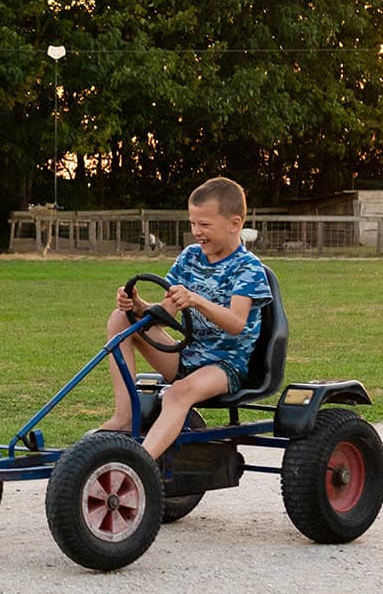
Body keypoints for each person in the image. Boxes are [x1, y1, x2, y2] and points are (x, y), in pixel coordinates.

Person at [102, 176, 271, 459]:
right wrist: (138, 306)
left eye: (204, 224)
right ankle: (124, 416)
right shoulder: (190, 257)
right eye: (193, 223)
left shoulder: (247, 268)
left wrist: (196, 300)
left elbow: (236, 323)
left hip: (225, 367)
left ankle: (140, 463)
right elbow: (164, 316)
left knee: (176, 394)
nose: (196, 232)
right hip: (186, 357)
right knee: (120, 319)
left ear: (234, 224)